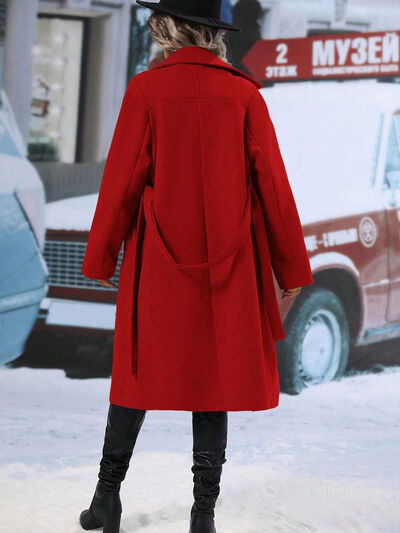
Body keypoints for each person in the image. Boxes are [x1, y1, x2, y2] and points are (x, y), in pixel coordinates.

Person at [79, 1, 314, 532]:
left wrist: (101, 257)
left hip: (157, 261)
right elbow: (274, 187)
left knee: (136, 376)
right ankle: (202, 514)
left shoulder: (146, 90)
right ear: (212, 32)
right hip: (230, 263)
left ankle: (106, 500)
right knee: (214, 382)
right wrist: (292, 271)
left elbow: (122, 180)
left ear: (170, 26)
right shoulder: (244, 94)